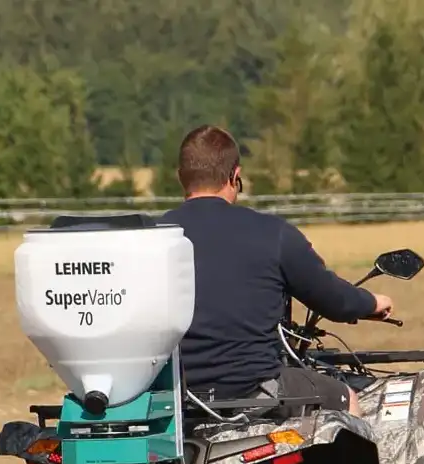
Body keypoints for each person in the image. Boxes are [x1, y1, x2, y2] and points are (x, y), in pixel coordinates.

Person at [160, 125, 394, 417]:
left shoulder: (149, 237)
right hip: (253, 389)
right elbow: (333, 298)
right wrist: (372, 303)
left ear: (181, 177)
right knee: (346, 397)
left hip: (174, 396)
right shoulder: (274, 234)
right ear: (235, 176)